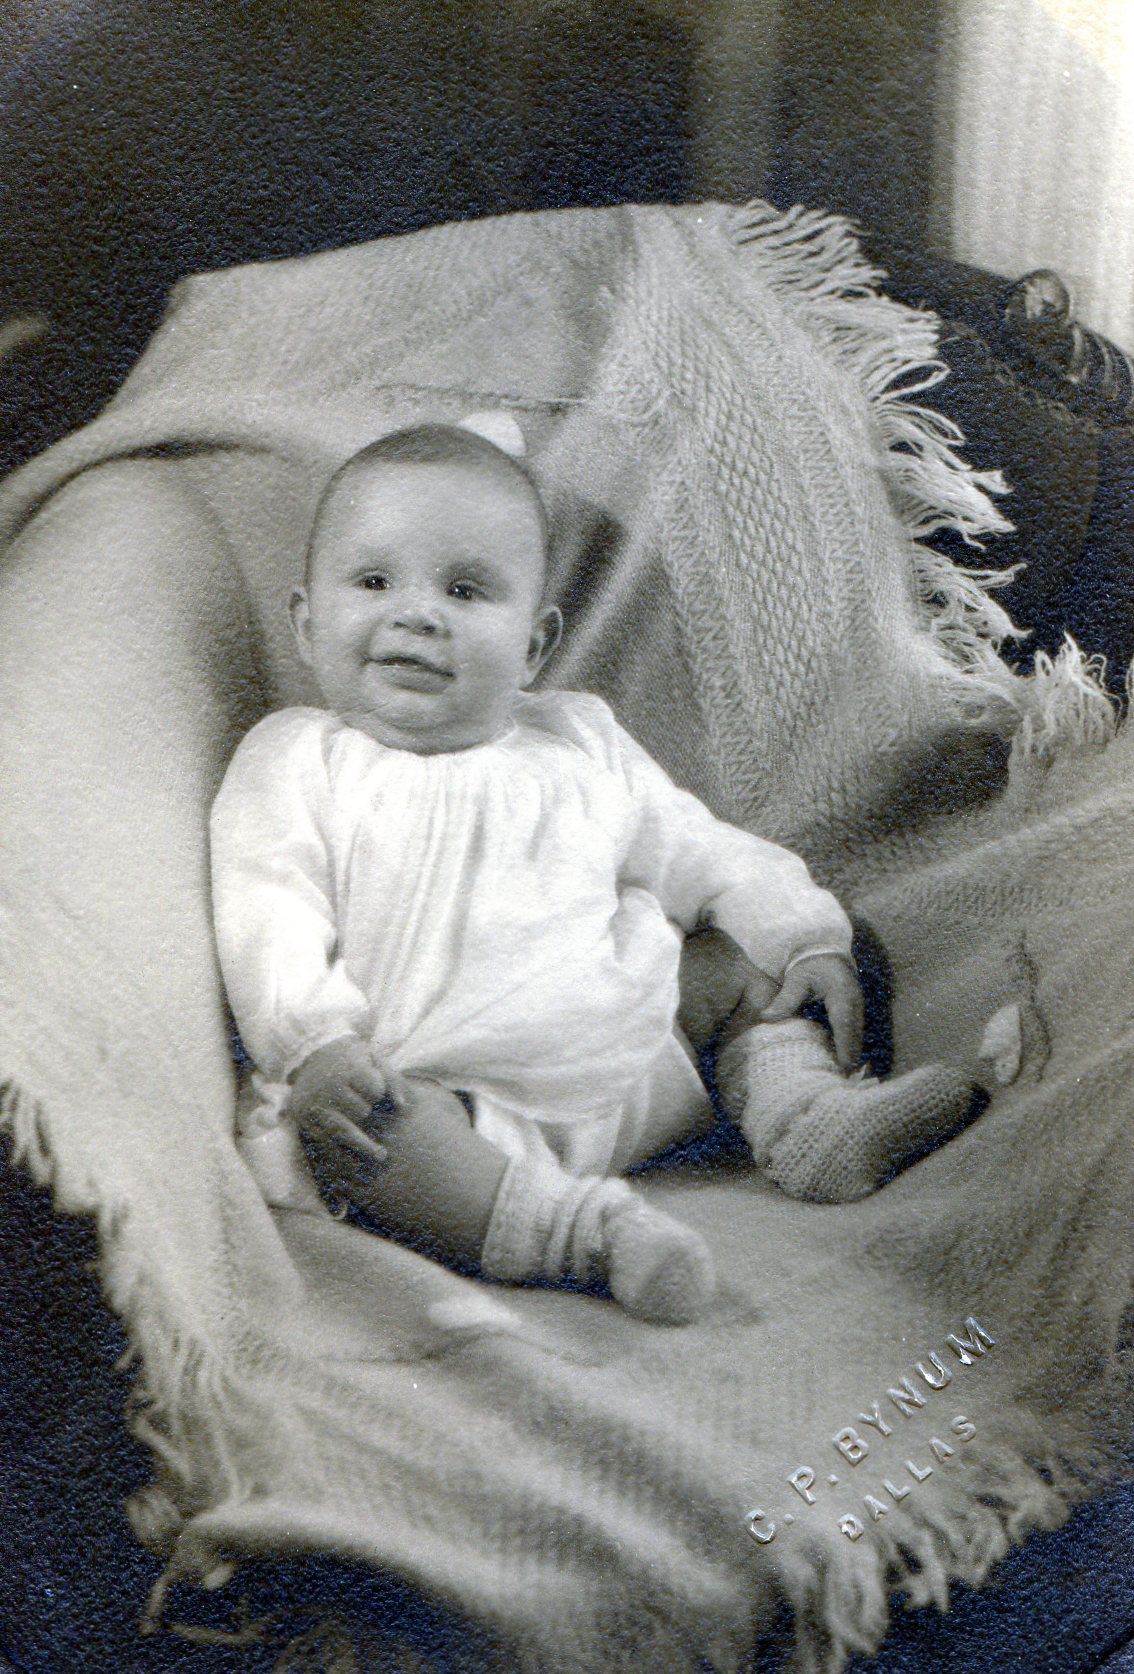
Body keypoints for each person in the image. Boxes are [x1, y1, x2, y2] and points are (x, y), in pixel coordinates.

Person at [209, 415, 978, 1326]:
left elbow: (701, 849)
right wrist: (315, 1043)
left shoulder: (578, 740)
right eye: (374, 581)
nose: (417, 614)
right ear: (307, 623)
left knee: (739, 961)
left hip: (633, 1057)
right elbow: (267, 905)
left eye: (464, 590)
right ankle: (587, 1234)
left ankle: (805, 1116)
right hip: (448, 1096)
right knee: (358, 1137)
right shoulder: (298, 758)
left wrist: (806, 938)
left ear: (533, 647)